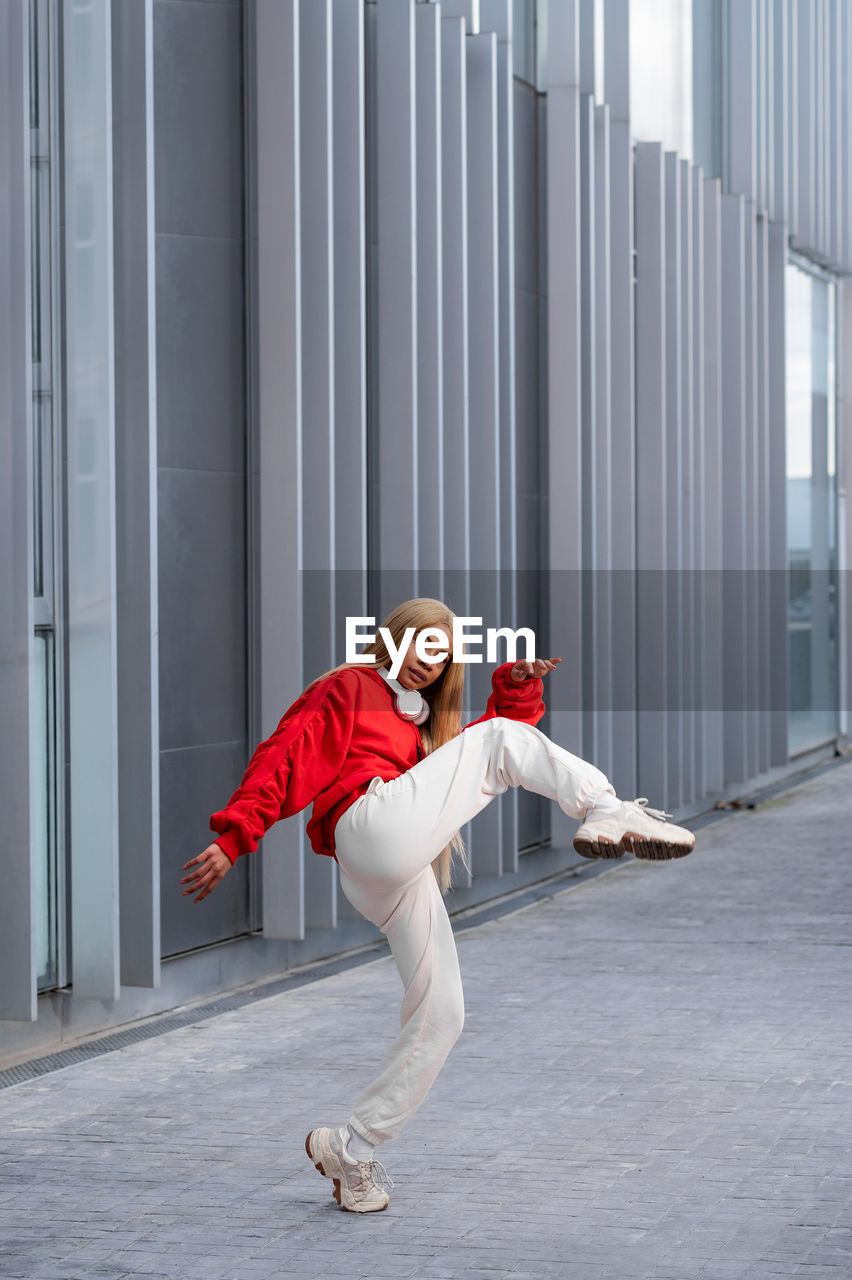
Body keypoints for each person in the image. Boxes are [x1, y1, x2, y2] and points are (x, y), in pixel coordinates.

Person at [180, 597, 695, 1213]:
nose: (428, 660)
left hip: (392, 866)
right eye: (419, 643)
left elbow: (466, 763)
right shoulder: (352, 687)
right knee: (502, 740)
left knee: (442, 1011)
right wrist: (236, 835)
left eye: (441, 651)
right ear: (393, 640)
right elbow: (287, 753)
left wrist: (514, 693)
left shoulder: (423, 721)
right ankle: (606, 807)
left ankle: (354, 1147)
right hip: (367, 827)